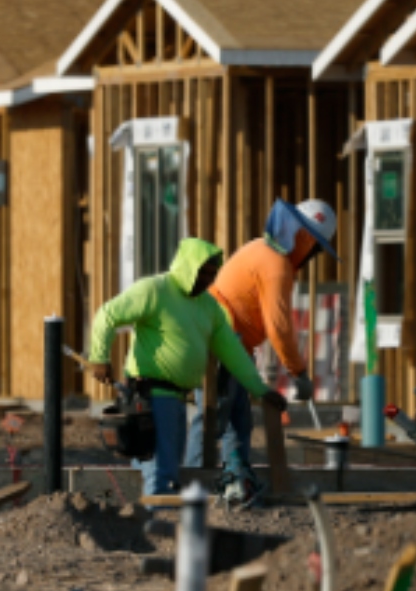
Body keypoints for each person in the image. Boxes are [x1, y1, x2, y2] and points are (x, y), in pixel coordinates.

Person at [88, 237, 286, 498]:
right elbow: (107, 315)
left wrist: (259, 389)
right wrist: (99, 357)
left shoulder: (208, 307)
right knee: (160, 473)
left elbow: (233, 353)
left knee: (164, 470)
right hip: (152, 396)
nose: (206, 279)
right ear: (186, 266)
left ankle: (149, 523)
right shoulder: (155, 290)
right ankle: (156, 525)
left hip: (177, 399)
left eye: (212, 274)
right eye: (202, 272)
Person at [186, 199, 338, 504]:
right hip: (221, 341)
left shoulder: (262, 250)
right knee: (214, 418)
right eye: (316, 248)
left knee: (237, 421)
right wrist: (299, 373)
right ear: (305, 238)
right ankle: (189, 490)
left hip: (228, 341)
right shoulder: (276, 266)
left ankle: (235, 484)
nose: (313, 255)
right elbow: (279, 327)